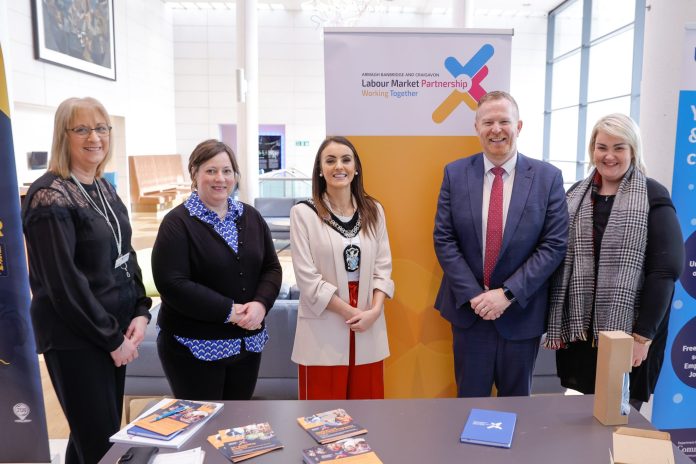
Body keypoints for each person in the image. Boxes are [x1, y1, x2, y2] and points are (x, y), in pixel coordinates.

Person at [22, 97, 152, 463]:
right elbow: (64, 284)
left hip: (112, 331)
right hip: (77, 339)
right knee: (104, 448)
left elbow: (125, 255)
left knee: (90, 442)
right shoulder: (49, 196)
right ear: (63, 136)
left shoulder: (103, 188)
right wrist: (111, 338)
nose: (94, 137)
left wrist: (140, 311)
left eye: (101, 128)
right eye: (81, 129)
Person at [433, 90, 568, 398]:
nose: (496, 129)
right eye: (488, 122)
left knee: (517, 408)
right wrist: (475, 296)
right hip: (470, 314)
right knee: (468, 405)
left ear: (518, 126)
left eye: (504, 121)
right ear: (477, 127)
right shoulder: (455, 174)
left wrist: (507, 294)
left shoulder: (547, 178)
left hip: (521, 313)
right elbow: (444, 238)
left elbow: (553, 245)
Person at [546, 113, 684, 409]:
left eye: (619, 147)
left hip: (631, 333)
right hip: (582, 335)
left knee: (620, 418)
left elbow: (666, 269)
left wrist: (642, 336)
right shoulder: (574, 196)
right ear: (592, 150)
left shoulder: (652, 194)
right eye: (601, 147)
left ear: (633, 151)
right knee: (585, 416)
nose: (609, 156)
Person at [152, 139, 281, 401]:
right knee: (201, 430)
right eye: (210, 171)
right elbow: (172, 283)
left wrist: (260, 304)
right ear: (194, 174)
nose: (220, 178)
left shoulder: (251, 217)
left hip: (248, 344)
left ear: (235, 175)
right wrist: (229, 311)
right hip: (194, 349)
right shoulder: (177, 223)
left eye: (227, 171)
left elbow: (271, 267)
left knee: (237, 429)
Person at [290, 136, 394, 400]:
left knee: (368, 409)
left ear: (356, 167)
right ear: (320, 170)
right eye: (330, 160)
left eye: (346, 160)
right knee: (323, 416)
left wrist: (374, 310)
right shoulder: (304, 213)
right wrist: (350, 311)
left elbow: (383, 267)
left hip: (368, 318)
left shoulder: (374, 210)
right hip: (325, 317)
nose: (339, 166)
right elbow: (306, 278)